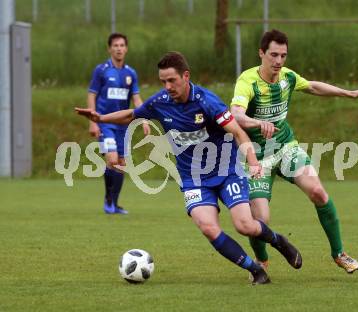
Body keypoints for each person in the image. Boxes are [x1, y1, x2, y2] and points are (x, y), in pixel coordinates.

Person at [76, 51, 302, 285]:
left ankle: (278, 241)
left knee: (244, 225)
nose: (167, 86)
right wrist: (100, 119)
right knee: (208, 228)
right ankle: (256, 270)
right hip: (193, 178)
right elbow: (132, 115)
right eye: (163, 81)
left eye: (171, 80)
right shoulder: (159, 102)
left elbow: (237, 132)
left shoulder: (207, 102)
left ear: (186, 76)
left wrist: (253, 162)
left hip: (226, 171)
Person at [230, 29, 358, 274]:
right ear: (261, 53)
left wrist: (349, 93)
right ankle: (262, 260)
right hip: (256, 157)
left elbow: (313, 87)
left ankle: (339, 253)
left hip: (285, 147)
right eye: (273, 55)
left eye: (283, 56)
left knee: (318, 191)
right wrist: (256, 123)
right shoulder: (248, 81)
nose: (278, 61)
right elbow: (235, 114)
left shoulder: (287, 77)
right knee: (260, 218)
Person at [87, 33, 148, 214]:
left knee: (122, 164)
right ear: (109, 48)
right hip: (105, 123)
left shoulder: (131, 73)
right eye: (115, 45)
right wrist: (93, 122)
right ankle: (108, 200)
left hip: (124, 124)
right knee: (112, 159)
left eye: (122, 45)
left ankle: (114, 203)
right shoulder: (101, 70)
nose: (119, 48)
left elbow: (136, 99)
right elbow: (92, 95)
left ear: (126, 49)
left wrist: (144, 118)